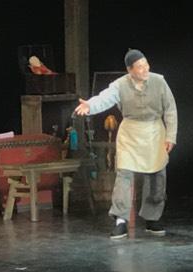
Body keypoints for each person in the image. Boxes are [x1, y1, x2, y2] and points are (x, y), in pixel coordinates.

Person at [75, 49, 178, 239]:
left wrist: (170, 136)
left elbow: (170, 109)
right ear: (130, 70)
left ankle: (152, 218)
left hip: (154, 132)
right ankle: (121, 220)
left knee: (157, 175)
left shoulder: (159, 81)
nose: (145, 69)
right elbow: (105, 98)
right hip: (130, 133)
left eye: (146, 64)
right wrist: (90, 105)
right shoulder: (120, 85)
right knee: (124, 175)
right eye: (140, 67)